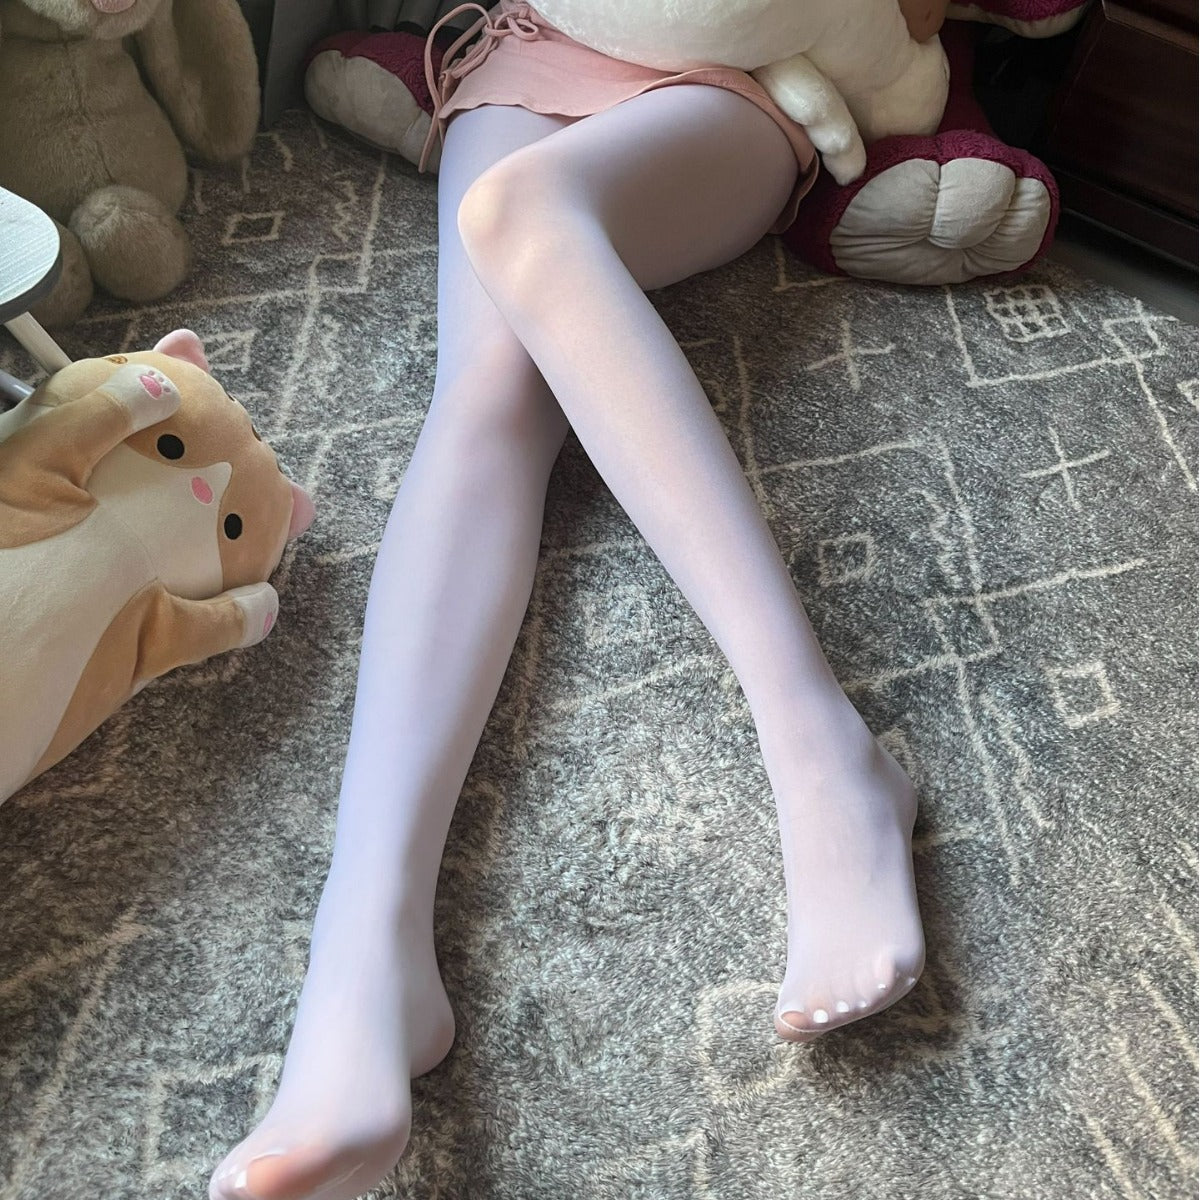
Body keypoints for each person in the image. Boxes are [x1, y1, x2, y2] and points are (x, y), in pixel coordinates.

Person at [209, 4, 925, 1198]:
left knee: (521, 212)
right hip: (530, 49)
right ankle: (368, 948)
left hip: (727, 77)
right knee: (489, 391)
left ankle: (820, 746)